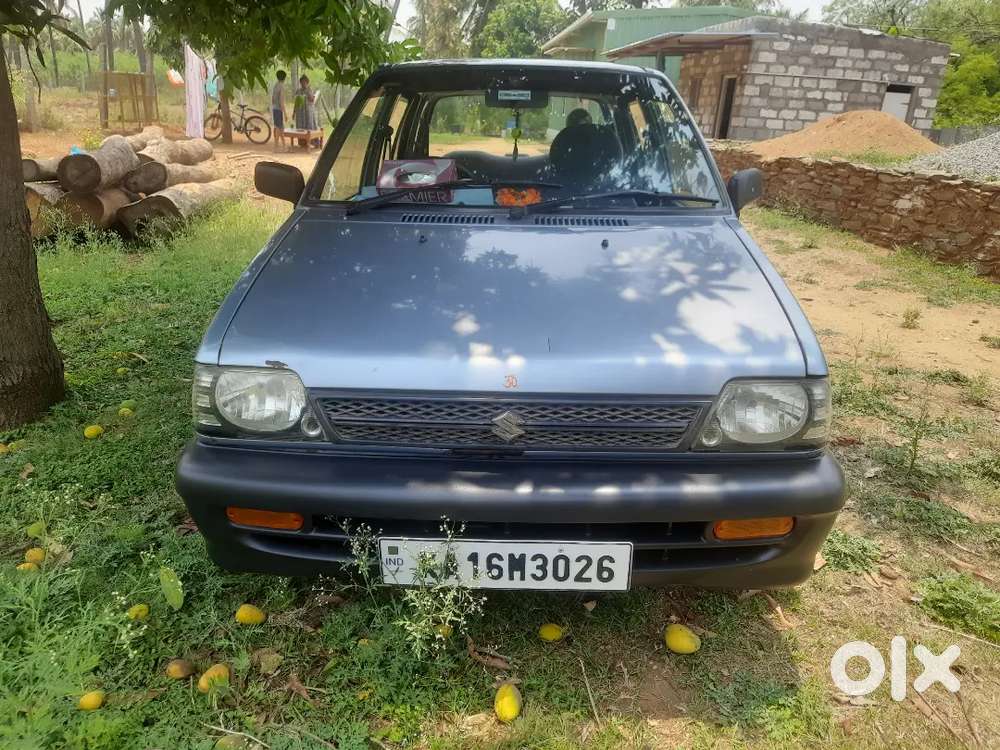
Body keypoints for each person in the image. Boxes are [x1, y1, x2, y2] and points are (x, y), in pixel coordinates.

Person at [271, 70, 287, 150]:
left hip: (274, 108)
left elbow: (272, 99)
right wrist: (285, 113)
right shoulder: (282, 86)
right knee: (279, 128)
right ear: (284, 78)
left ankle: (283, 145)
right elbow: (281, 101)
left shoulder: (276, 85)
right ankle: (277, 146)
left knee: (280, 127)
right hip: (278, 109)